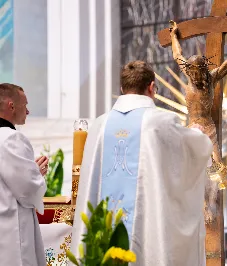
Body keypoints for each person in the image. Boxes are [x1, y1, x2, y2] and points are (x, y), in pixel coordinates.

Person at [71, 61, 213, 266]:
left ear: (122, 88)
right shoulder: (160, 122)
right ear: (152, 87)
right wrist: (200, 134)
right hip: (148, 233)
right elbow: (193, 152)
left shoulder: (100, 125)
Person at [0, 83, 49, 266]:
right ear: (11, 106)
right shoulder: (11, 138)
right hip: (11, 232)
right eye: (25, 105)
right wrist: (37, 173)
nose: (27, 112)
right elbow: (28, 191)